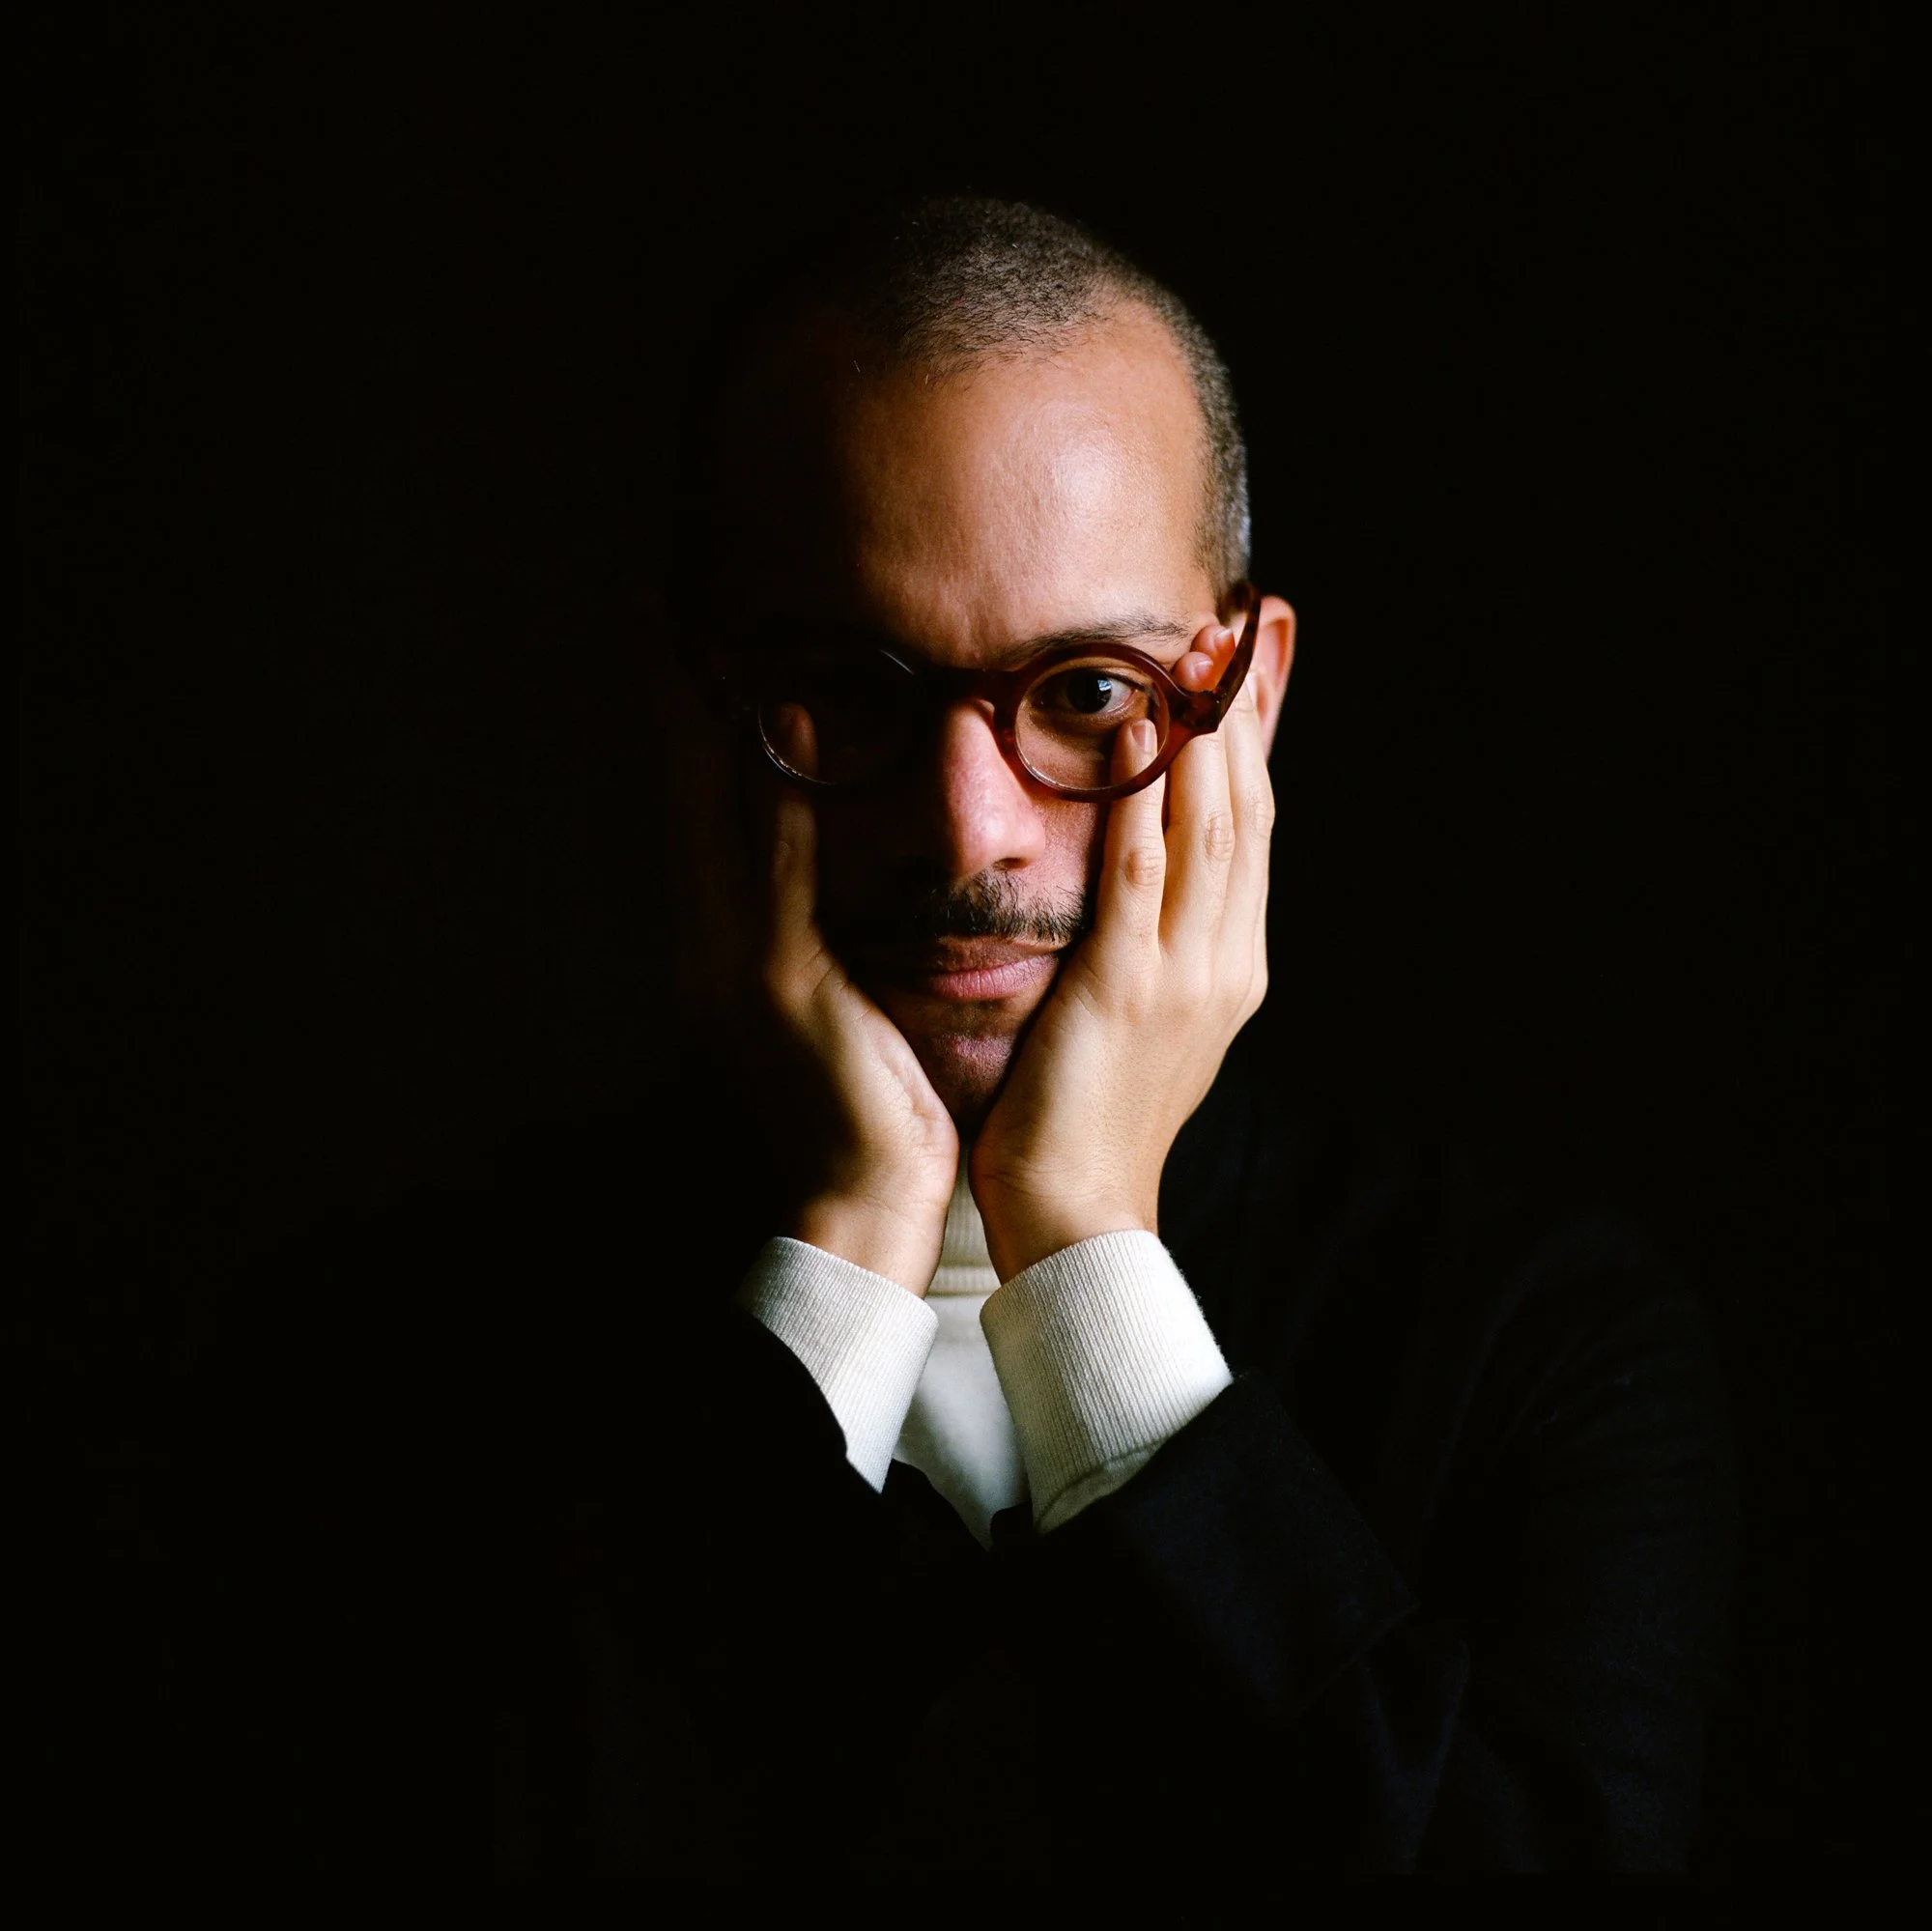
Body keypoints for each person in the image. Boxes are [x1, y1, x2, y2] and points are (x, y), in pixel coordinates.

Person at [105, 197, 1738, 1883]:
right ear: (693, 710)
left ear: (1246, 701)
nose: (973, 833)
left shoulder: (1546, 1351)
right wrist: (846, 1267)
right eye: (853, 694)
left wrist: (1089, 1247)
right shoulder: (359, 1369)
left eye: (1089, 695)